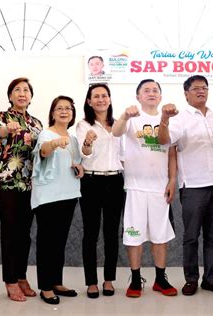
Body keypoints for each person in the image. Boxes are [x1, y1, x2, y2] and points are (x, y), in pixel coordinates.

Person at [158, 75, 213, 296]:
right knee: (191, 236)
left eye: (205, 87)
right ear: (186, 93)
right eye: (196, 88)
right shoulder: (180, 118)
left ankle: (210, 279)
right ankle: (191, 279)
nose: (202, 91)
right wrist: (164, 119)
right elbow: (164, 141)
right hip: (193, 187)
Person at [112, 79, 178, 298]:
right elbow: (116, 132)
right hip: (135, 189)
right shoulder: (132, 118)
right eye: (146, 90)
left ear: (160, 96)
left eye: (155, 90)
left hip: (160, 189)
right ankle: (135, 279)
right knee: (134, 236)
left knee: (160, 236)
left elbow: (170, 151)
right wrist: (124, 116)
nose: (151, 93)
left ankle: (160, 279)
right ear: (138, 96)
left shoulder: (169, 119)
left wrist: (172, 181)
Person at [0, 77, 43, 301]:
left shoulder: (37, 123)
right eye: (17, 90)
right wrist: (6, 130)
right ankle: (10, 280)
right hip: (8, 181)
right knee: (10, 232)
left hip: (31, 183)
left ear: (31, 96)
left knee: (25, 234)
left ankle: (21, 276)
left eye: (26, 90)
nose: (22, 93)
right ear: (10, 95)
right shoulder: (3, 117)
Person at [31, 95, 83, 305]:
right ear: (52, 112)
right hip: (48, 197)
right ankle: (45, 286)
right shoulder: (45, 133)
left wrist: (79, 168)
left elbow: (77, 163)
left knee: (59, 241)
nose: (64, 112)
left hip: (69, 194)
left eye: (68, 109)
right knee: (46, 242)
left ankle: (56, 282)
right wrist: (54, 143)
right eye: (59, 108)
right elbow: (43, 152)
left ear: (72, 113)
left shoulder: (73, 137)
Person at [76, 83, 124, 298]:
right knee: (91, 233)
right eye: (96, 96)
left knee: (112, 234)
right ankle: (91, 282)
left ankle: (108, 280)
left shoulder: (118, 126)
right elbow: (84, 154)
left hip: (115, 182)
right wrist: (87, 142)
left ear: (110, 99)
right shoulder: (84, 124)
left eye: (104, 96)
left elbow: (124, 154)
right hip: (91, 181)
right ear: (89, 101)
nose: (101, 99)